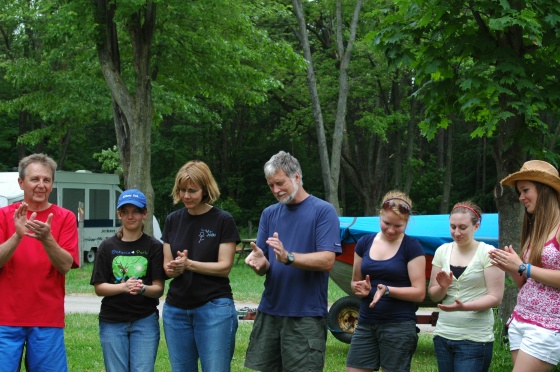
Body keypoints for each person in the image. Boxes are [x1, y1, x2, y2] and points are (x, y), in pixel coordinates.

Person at [243, 151, 341, 371]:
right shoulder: (269, 214)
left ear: (296, 177)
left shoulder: (323, 211)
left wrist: (288, 257)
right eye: (271, 186)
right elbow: (266, 263)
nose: (276, 190)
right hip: (270, 311)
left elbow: (327, 260)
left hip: (305, 316)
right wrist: (260, 263)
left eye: (280, 183)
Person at [0, 153, 79, 371]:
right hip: (4, 319)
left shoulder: (65, 217)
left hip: (47, 319)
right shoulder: (3, 215)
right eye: (35, 179)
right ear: (21, 182)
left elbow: (65, 265)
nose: (41, 185)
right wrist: (17, 236)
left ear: (52, 184)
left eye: (46, 180)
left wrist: (47, 239)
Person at [162, 160, 240, 372]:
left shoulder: (223, 220)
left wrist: (189, 265)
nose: (186, 196)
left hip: (214, 307)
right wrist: (175, 268)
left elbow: (224, 267)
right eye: (182, 190)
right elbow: (167, 267)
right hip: (176, 310)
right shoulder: (172, 220)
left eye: (192, 191)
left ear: (205, 189)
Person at [489, 160, 560, 371]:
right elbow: (526, 283)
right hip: (521, 319)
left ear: (544, 190)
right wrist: (511, 267)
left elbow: (528, 271)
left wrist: (523, 267)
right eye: (520, 191)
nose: (521, 197)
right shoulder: (535, 230)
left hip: (547, 326)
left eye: (525, 190)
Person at [346, 191, 426, 372]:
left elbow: (419, 293)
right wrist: (361, 289)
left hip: (398, 326)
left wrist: (388, 290)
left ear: (406, 222)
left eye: (398, 225)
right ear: (379, 216)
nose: (391, 230)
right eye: (386, 223)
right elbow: (354, 282)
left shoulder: (412, 247)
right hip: (366, 323)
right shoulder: (364, 243)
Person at [90, 189, 165, 372]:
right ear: (119, 214)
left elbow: (158, 288)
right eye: (125, 212)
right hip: (112, 320)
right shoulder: (107, 246)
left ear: (144, 214)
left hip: (144, 320)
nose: (130, 216)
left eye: (136, 211)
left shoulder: (154, 246)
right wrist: (123, 287)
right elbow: (99, 287)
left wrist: (142, 289)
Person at [428, 201, 505, 372]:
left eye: (462, 227)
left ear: (476, 226)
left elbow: (496, 297)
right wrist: (443, 287)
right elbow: (434, 295)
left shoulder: (488, 253)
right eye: (453, 227)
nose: (456, 232)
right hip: (443, 335)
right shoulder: (442, 251)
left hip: (475, 338)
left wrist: (464, 307)